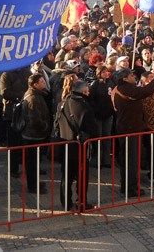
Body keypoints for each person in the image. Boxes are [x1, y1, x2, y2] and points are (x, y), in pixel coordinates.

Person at [112, 66, 154, 197]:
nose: (134, 77)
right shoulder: (125, 89)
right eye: (131, 75)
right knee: (131, 160)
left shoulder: (122, 88)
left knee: (129, 159)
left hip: (129, 127)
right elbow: (144, 92)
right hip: (130, 129)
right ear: (125, 79)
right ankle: (131, 188)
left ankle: (127, 186)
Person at [56, 80, 98, 211]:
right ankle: (81, 202)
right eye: (87, 91)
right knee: (82, 176)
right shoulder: (85, 107)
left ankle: (66, 203)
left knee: (66, 176)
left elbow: (56, 124)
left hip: (65, 144)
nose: (89, 93)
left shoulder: (62, 103)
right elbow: (93, 129)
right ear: (84, 91)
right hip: (80, 147)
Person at [22, 73, 51, 194]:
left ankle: (35, 182)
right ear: (35, 85)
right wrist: (45, 126)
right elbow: (35, 120)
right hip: (33, 135)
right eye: (42, 82)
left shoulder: (37, 94)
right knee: (32, 163)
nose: (44, 83)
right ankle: (33, 186)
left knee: (35, 161)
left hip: (35, 134)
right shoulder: (33, 98)